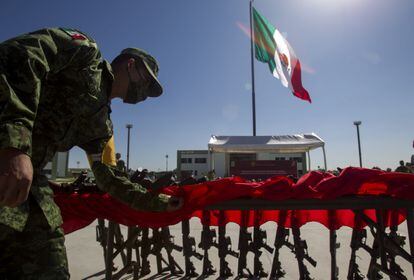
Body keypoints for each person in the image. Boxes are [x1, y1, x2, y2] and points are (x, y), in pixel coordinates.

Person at [0, 28, 183, 279]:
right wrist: (14, 144)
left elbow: (109, 178)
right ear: (131, 65)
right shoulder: (85, 54)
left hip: (23, 185)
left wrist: (158, 203)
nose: (145, 93)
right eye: (147, 82)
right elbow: (20, 56)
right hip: (9, 160)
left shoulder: (101, 125)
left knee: (49, 264)